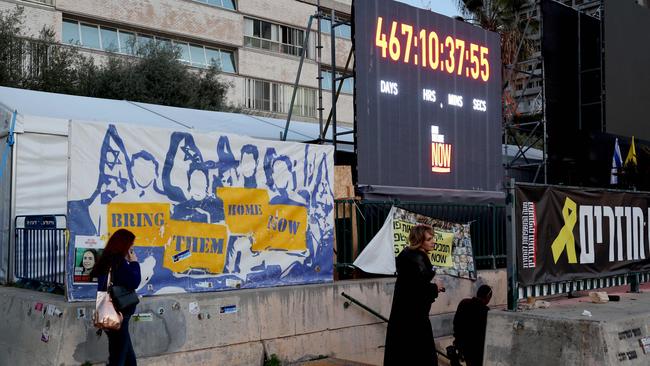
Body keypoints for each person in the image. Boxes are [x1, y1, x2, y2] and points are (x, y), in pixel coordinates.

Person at [384, 224, 445, 366]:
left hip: (402, 323)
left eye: (433, 238)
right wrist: (436, 287)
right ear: (419, 241)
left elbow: (413, 289)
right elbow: (419, 293)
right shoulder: (418, 262)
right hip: (415, 325)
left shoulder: (408, 258)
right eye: (429, 239)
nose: (433, 241)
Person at [91, 229, 141, 366]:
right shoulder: (119, 262)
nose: (132, 247)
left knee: (127, 355)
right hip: (118, 314)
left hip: (110, 313)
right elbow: (134, 281)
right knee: (118, 357)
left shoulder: (107, 259)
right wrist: (135, 263)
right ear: (124, 244)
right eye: (131, 244)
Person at [453, 284, 493, 366]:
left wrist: (458, 340)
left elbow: (456, 323)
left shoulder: (463, 303)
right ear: (488, 297)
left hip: (462, 345)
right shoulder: (485, 311)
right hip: (476, 350)